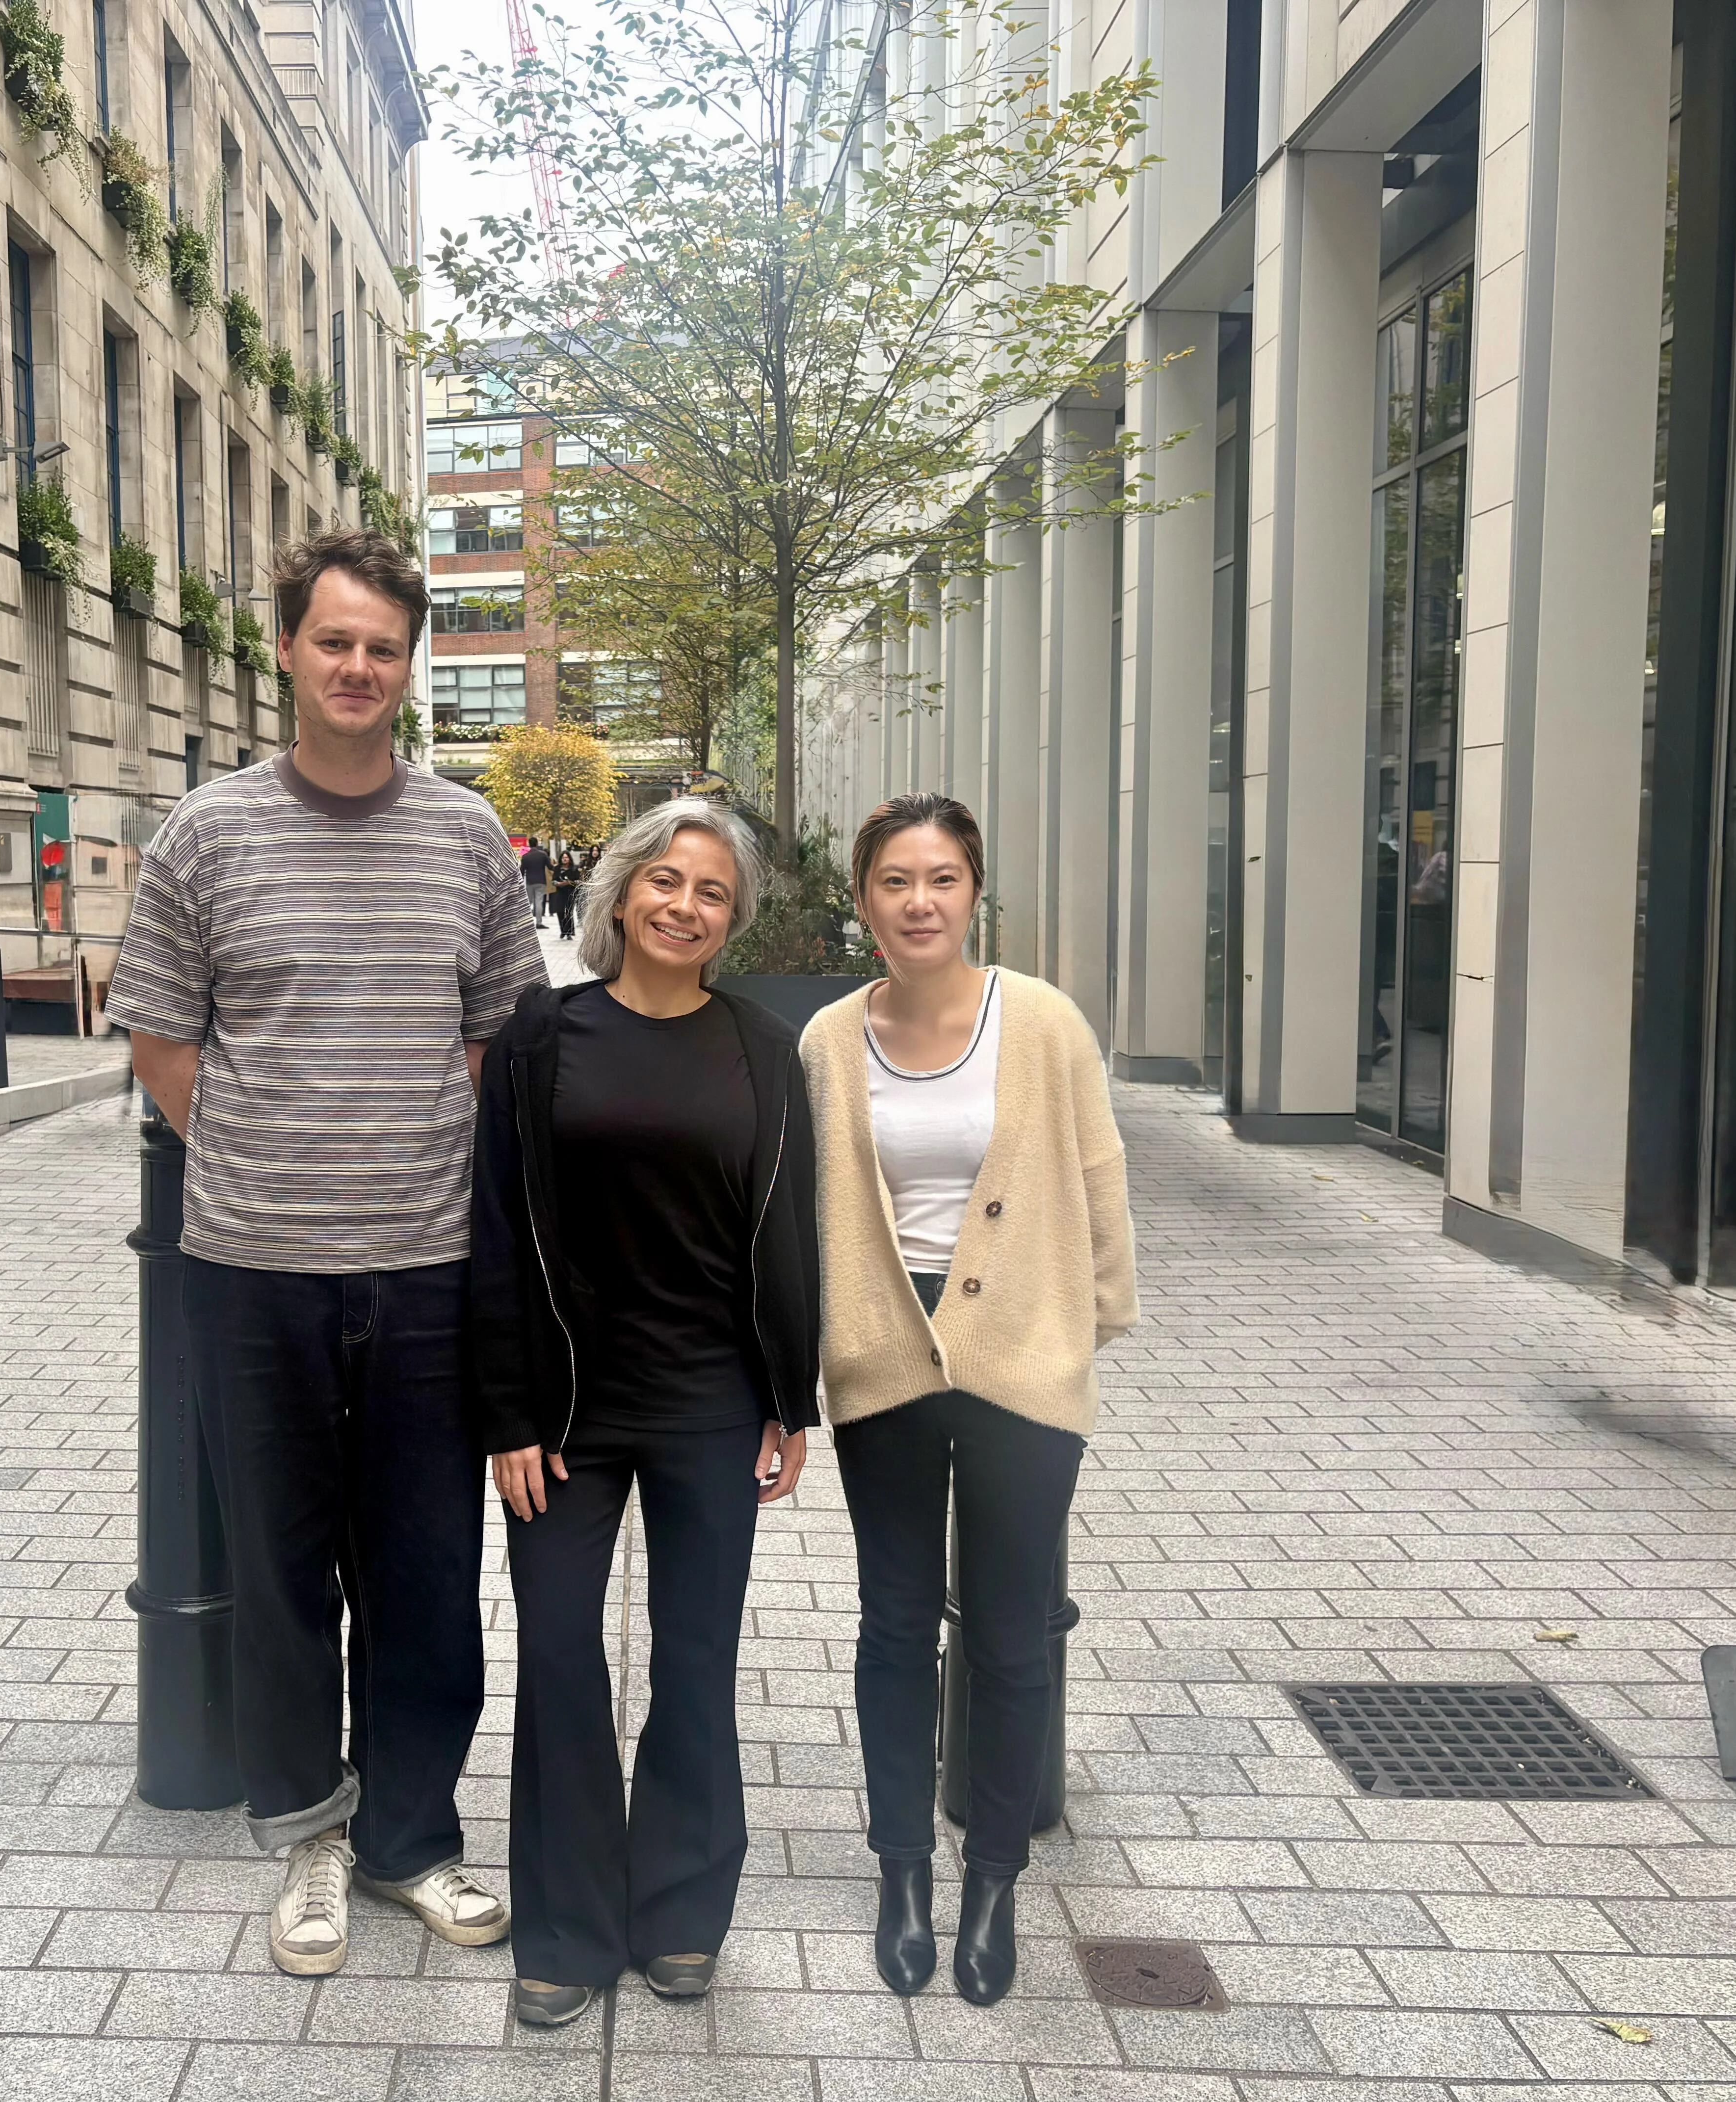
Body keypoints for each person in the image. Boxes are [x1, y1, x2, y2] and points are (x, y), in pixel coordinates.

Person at [109, 528, 545, 1977]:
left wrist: (411, 1160)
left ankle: (410, 1839)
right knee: (284, 1571)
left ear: (408, 666)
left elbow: (499, 1041)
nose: (359, 667)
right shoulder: (206, 834)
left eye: (383, 648)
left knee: (424, 1573)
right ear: (288, 651)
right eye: (335, 641)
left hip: (429, 1272)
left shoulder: (466, 836)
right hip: (251, 1274)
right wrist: (265, 1158)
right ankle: (306, 1828)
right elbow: (163, 1038)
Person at [470, 796, 821, 2029]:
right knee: (561, 1655)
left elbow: (790, 1227)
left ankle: (680, 1913)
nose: (685, 905)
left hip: (710, 1405)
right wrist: (505, 1412)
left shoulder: (763, 1050)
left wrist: (791, 1396)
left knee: (696, 1658)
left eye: (712, 892)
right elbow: (494, 1226)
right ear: (621, 893)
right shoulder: (542, 1034)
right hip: (563, 1412)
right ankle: (566, 1928)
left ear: (733, 920)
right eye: (665, 880)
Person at [799, 792, 1136, 2008]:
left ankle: (994, 1880)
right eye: (895, 881)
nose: (920, 902)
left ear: (976, 892)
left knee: (1007, 1632)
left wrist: (1078, 1334)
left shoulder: (1042, 1022)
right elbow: (811, 1207)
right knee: (894, 1625)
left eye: (942, 879)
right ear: (863, 901)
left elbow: (1099, 1180)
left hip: (1021, 1362)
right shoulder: (829, 1040)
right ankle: (903, 1872)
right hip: (886, 1359)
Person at [548, 849, 580, 941]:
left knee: (569, 912)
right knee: (560, 911)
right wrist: (559, 884)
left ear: (569, 859)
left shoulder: (574, 869)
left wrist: (570, 883)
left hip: (570, 893)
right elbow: (553, 881)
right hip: (560, 893)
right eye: (563, 858)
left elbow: (578, 881)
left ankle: (570, 932)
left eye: (566, 858)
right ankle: (563, 931)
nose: (565, 859)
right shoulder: (557, 869)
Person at [520, 836, 552, 925]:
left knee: (528, 902)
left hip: (530, 882)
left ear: (529, 844)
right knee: (539, 902)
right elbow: (550, 867)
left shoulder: (525, 857)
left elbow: (522, 871)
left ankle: (525, 922)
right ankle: (539, 922)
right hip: (541, 881)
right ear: (537, 844)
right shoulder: (543, 855)